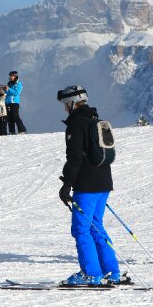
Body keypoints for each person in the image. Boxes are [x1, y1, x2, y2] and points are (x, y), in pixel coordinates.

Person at [56, 85, 120, 286]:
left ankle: (91, 273)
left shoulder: (76, 125)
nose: (65, 109)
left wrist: (67, 184)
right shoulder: (95, 121)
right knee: (96, 226)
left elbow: (74, 158)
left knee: (81, 229)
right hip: (103, 183)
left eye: (65, 105)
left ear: (72, 103)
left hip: (87, 186)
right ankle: (111, 271)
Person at [4, 70, 27, 134]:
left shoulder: (19, 83)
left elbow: (16, 92)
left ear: (15, 76)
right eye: (10, 76)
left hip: (15, 102)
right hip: (8, 102)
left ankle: (22, 129)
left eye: (12, 76)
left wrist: (9, 89)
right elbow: (7, 93)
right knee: (9, 118)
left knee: (15, 116)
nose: (10, 77)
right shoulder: (9, 83)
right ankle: (12, 131)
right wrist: (5, 89)